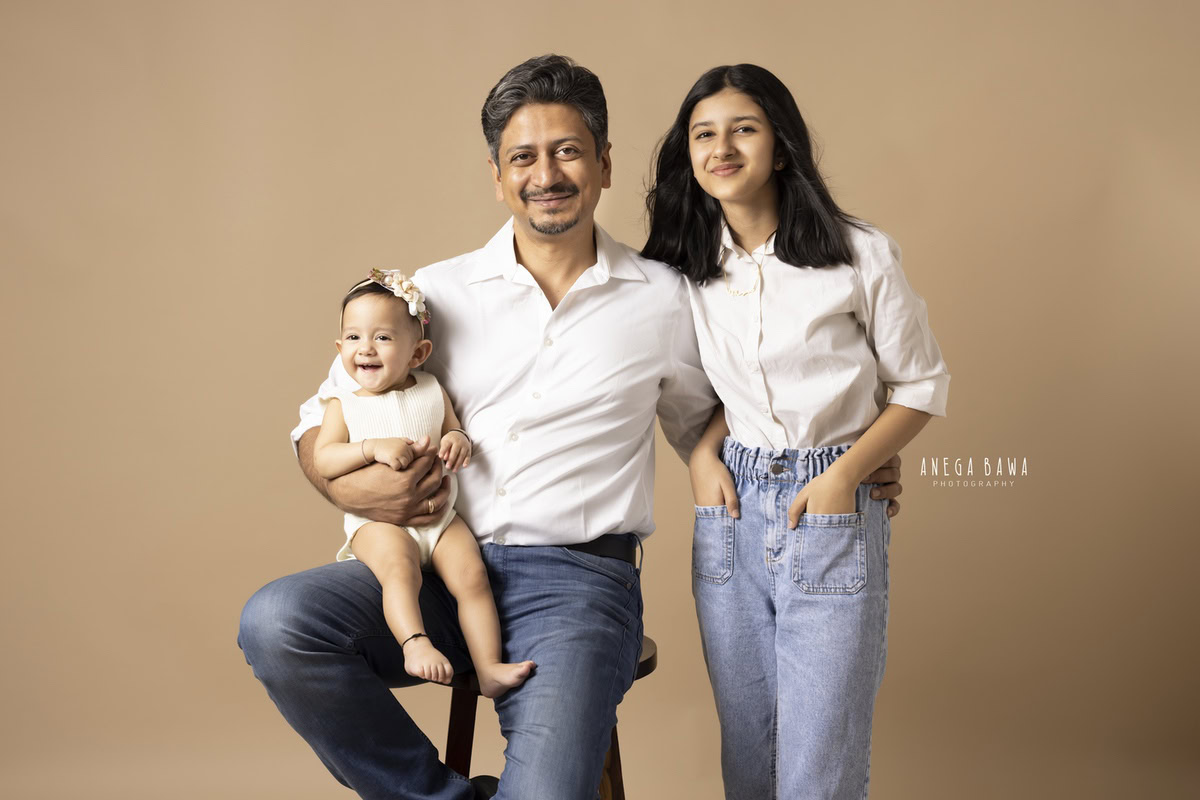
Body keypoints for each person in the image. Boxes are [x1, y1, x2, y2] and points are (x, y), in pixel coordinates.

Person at [238, 55, 903, 800]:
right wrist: (347, 488)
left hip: (579, 586)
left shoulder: (664, 295)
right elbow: (320, 418)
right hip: (437, 568)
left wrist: (848, 453)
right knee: (278, 622)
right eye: (523, 157)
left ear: (604, 165)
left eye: (567, 151)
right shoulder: (435, 293)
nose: (546, 174)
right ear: (497, 175)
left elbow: (744, 398)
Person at [642, 64, 950, 800]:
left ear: (780, 147)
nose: (721, 148)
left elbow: (920, 385)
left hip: (831, 505)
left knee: (820, 761)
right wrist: (702, 454)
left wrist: (847, 472)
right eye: (703, 134)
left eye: (743, 129)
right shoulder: (681, 269)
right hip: (731, 511)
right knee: (750, 752)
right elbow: (705, 389)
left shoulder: (859, 253)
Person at [312, 269, 535, 697]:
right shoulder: (343, 404)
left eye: (382, 337)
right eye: (354, 337)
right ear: (340, 349)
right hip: (378, 525)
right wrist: (370, 449)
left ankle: (489, 667)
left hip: (441, 520)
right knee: (400, 570)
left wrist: (457, 440)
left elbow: (453, 427)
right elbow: (325, 458)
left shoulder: (431, 388)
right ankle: (415, 644)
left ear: (418, 353)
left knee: (473, 576)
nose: (366, 348)